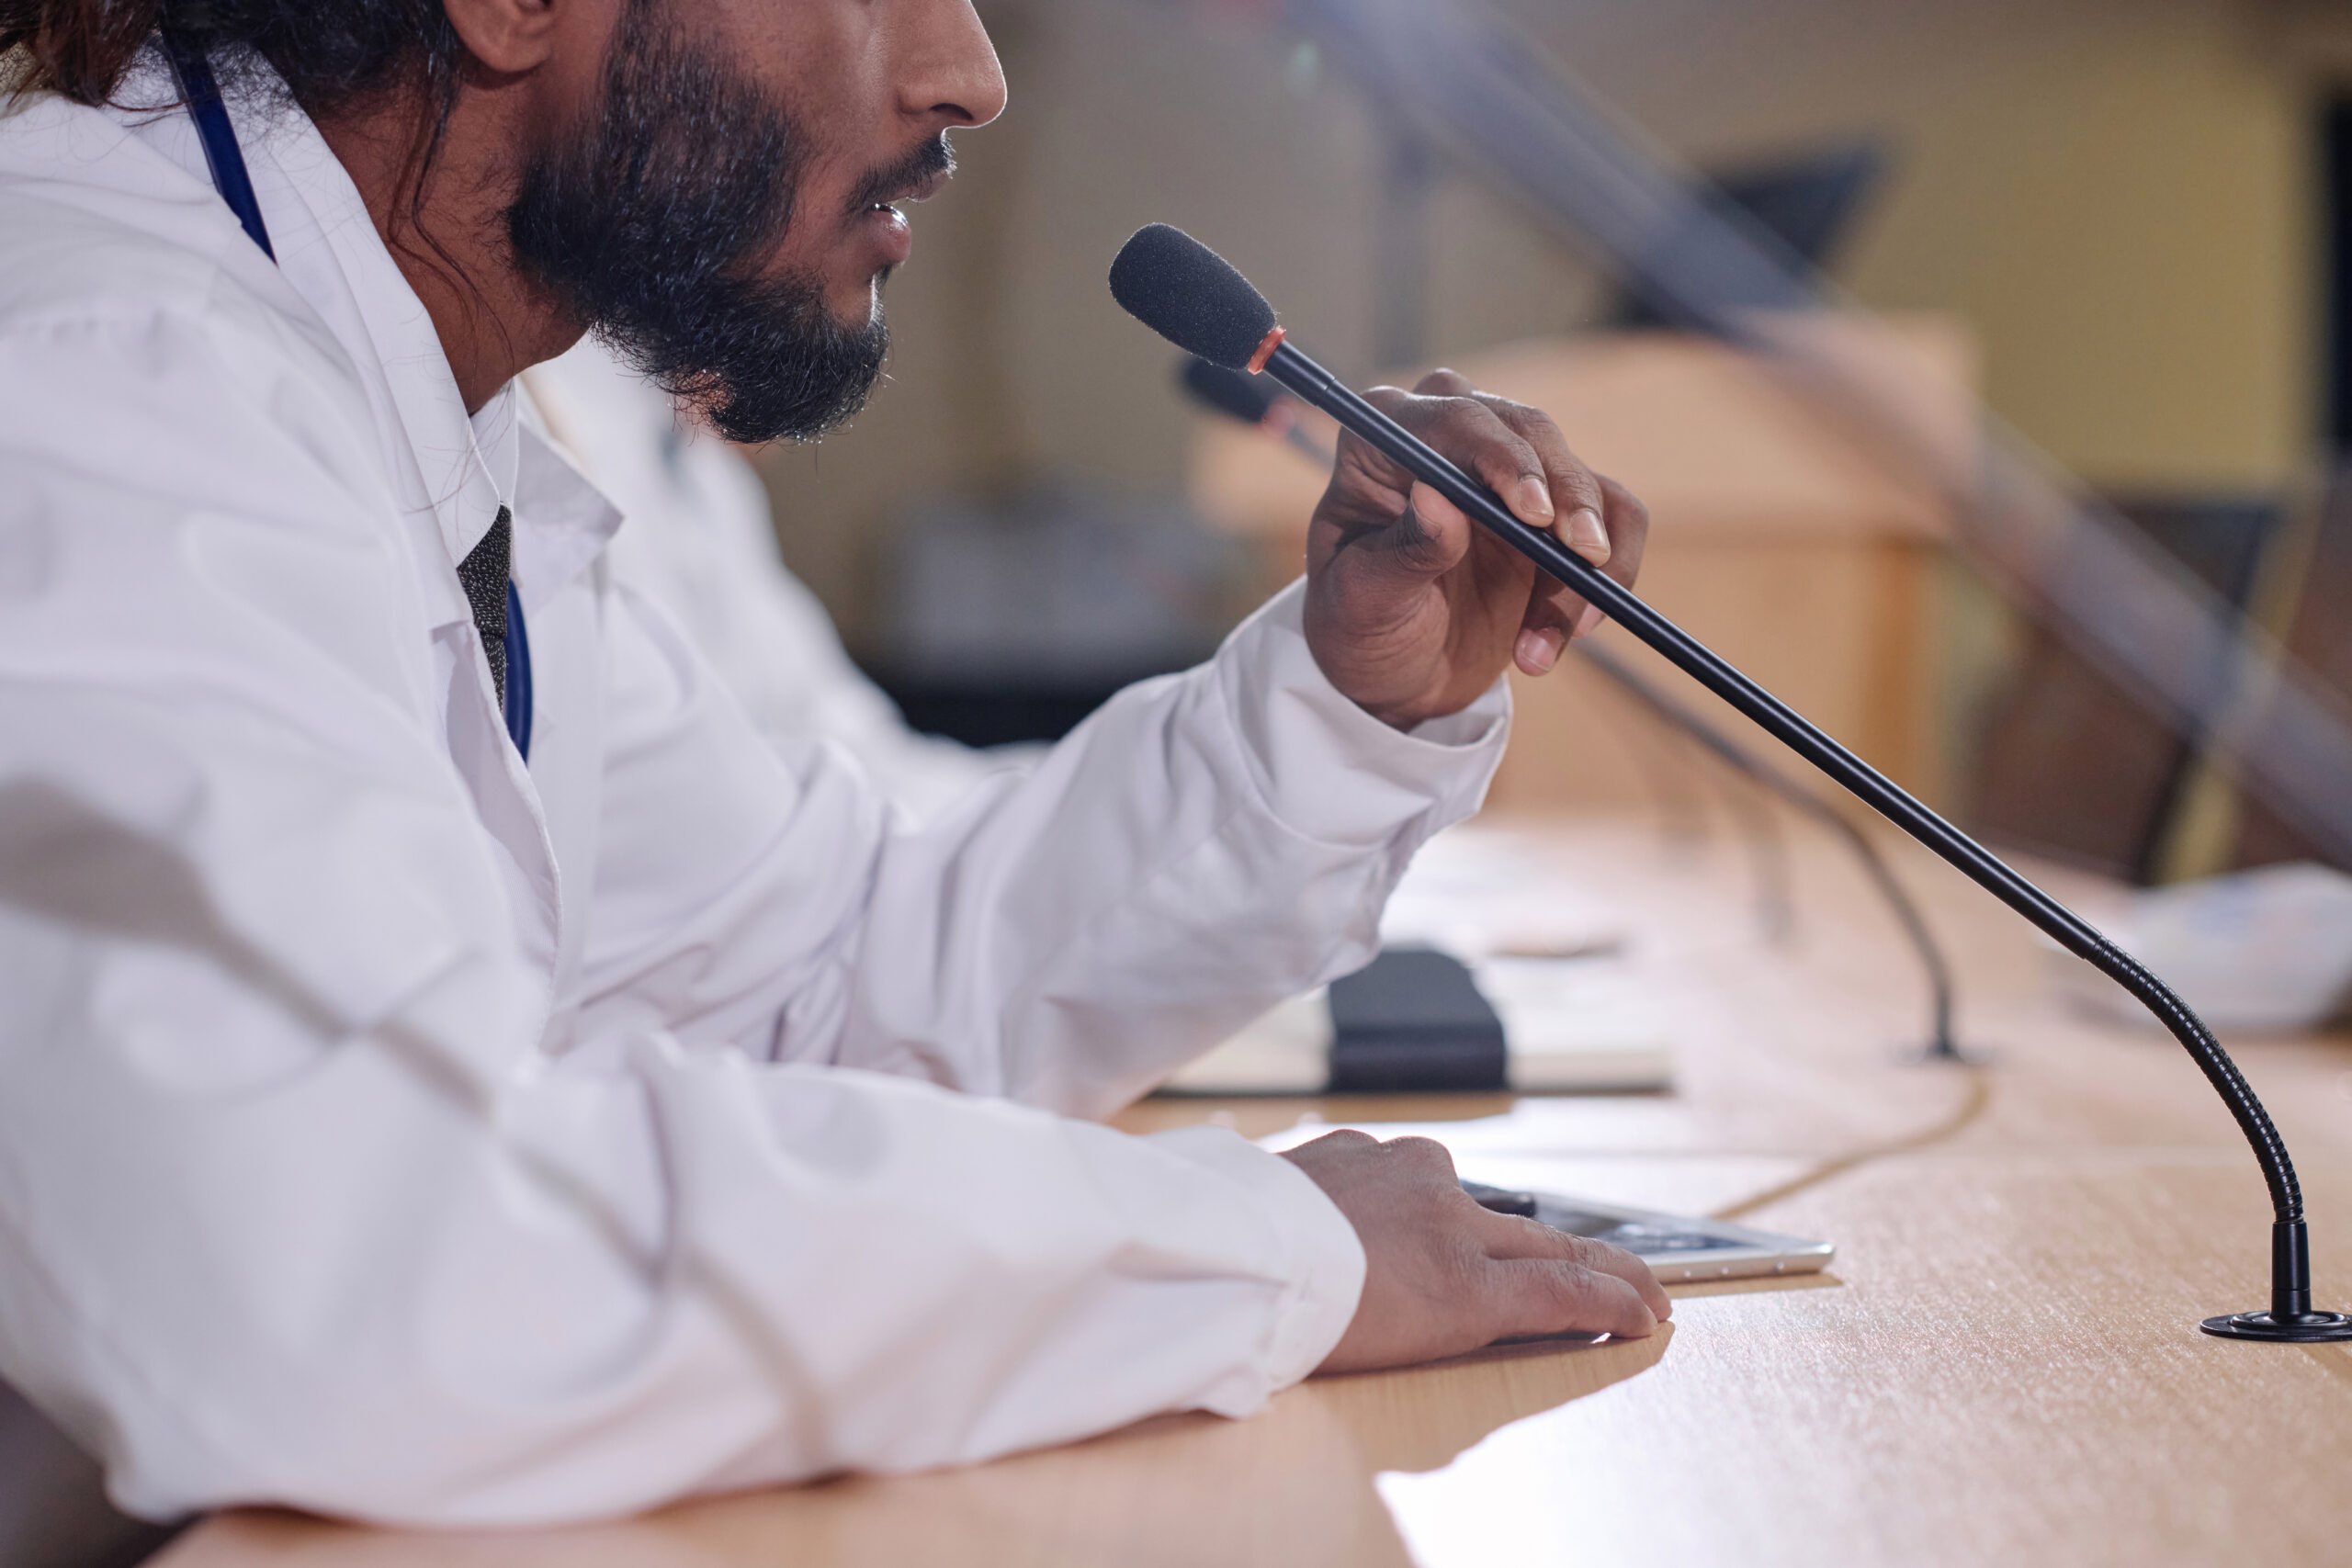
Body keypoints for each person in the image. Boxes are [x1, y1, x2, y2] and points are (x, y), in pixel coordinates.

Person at [0, 0, 1657, 1530]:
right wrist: (1269, 1257)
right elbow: (355, 1270)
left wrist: (1337, 708)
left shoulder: (385, 389)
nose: (968, 72)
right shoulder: (104, 377)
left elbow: (832, 979)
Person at [524, 338, 1028, 822]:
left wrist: (1032, 798)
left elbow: (839, 732)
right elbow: (685, 794)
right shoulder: (559, 431)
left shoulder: (708, 474)